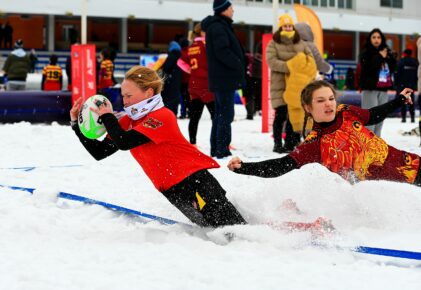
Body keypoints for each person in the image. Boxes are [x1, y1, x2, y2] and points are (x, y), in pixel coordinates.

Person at [70, 66, 245, 227]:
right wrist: (76, 125)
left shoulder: (162, 116)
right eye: (123, 96)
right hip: (172, 191)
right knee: (214, 231)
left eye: (129, 96)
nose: (124, 101)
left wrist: (108, 117)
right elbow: (100, 152)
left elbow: (124, 142)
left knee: (234, 232)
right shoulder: (127, 121)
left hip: (195, 182)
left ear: (148, 93)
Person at [228, 80, 421, 187]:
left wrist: (399, 101)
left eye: (330, 98)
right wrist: (244, 167)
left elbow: (373, 115)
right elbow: (280, 166)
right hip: (387, 191)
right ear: (308, 107)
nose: (328, 103)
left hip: (411, 165)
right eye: (320, 101)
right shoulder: (314, 144)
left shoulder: (346, 112)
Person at [201, 0, 246, 159]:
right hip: (224, 78)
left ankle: (217, 148)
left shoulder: (219, 25)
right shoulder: (219, 27)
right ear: (224, 10)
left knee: (220, 115)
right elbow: (222, 51)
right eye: (230, 7)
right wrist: (238, 62)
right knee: (225, 115)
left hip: (221, 78)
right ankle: (221, 149)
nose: (233, 10)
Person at [266, 14, 316, 154]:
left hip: (297, 85)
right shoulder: (273, 43)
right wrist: (291, 66)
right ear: (281, 27)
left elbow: (310, 59)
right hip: (280, 85)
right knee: (281, 115)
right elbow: (271, 61)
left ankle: (291, 142)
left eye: (289, 25)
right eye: (285, 26)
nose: (288, 28)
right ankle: (277, 143)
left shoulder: (300, 43)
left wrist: (303, 70)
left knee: (294, 115)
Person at [178, 23, 215, 146]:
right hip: (206, 84)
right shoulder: (207, 45)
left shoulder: (192, 46)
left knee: (194, 117)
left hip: (193, 84)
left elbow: (180, 61)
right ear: (203, 32)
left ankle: (192, 142)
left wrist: (191, 70)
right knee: (216, 116)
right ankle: (220, 141)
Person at [358, 28, 397, 137]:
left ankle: (376, 144)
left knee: (380, 118)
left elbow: (393, 68)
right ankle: (367, 144)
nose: (376, 40)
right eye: (374, 37)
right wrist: (380, 57)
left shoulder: (386, 51)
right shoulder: (366, 52)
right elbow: (367, 68)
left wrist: (390, 57)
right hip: (370, 89)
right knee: (370, 118)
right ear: (370, 39)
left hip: (383, 89)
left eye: (378, 37)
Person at [395, 49, 418, 123]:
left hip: (402, 85)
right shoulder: (415, 62)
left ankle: (404, 118)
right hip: (411, 85)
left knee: (402, 101)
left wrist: (396, 84)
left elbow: (397, 74)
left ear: (404, 53)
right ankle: (412, 118)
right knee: (411, 101)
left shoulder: (401, 62)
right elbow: (417, 75)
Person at [161, 40, 182, 116]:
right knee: (174, 104)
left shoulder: (171, 56)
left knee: (168, 104)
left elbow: (167, 68)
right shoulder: (180, 57)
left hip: (169, 84)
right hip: (176, 83)